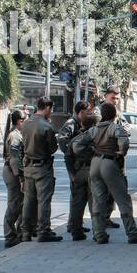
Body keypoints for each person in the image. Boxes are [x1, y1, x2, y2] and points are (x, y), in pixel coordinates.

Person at [89, 101, 137, 243]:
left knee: (98, 201)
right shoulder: (115, 127)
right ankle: (132, 234)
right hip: (110, 163)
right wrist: (121, 152)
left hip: (95, 163)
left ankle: (99, 234)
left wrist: (92, 152)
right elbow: (124, 141)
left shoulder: (93, 129)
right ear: (114, 115)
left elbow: (77, 144)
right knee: (123, 200)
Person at [21, 97, 62, 242]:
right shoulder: (46, 126)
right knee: (44, 200)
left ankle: (25, 231)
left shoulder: (26, 123)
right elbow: (52, 148)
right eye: (51, 109)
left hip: (28, 166)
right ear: (47, 108)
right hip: (42, 167)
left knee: (28, 200)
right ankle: (43, 231)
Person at [57, 101, 95, 241]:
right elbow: (62, 141)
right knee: (78, 198)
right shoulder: (71, 124)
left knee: (79, 199)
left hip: (79, 166)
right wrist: (73, 150)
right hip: (76, 165)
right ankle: (73, 225)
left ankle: (76, 225)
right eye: (88, 111)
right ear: (81, 112)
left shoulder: (83, 124)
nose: (90, 113)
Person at [98, 86, 123, 228]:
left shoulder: (118, 113)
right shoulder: (98, 112)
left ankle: (106, 217)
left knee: (111, 192)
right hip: (102, 158)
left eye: (117, 98)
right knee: (101, 192)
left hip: (115, 158)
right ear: (106, 96)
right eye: (113, 98)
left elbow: (126, 130)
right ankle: (99, 221)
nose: (115, 101)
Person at [2, 109, 26, 248]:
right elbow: (14, 160)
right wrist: (21, 178)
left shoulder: (17, 134)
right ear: (19, 121)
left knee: (19, 203)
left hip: (13, 171)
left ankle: (18, 233)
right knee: (14, 204)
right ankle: (10, 236)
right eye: (25, 120)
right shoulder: (15, 136)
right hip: (13, 172)